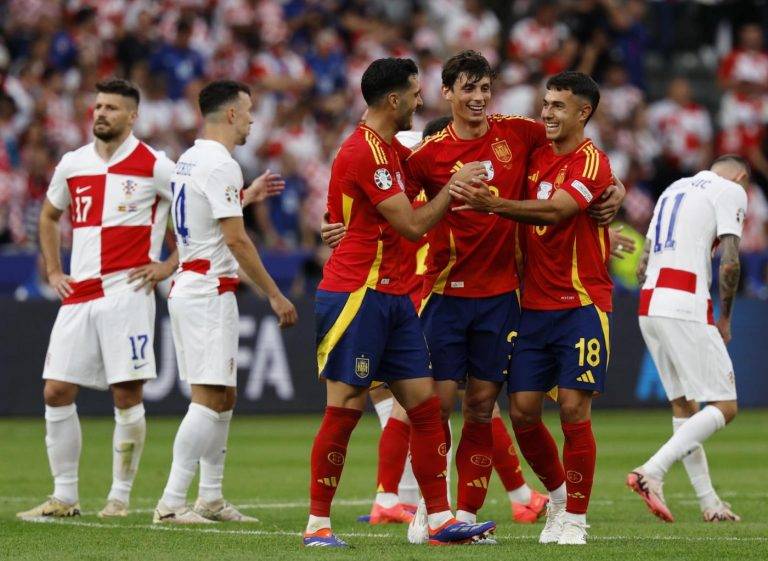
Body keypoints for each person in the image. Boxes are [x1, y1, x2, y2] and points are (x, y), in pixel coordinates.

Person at [401, 51, 621, 531]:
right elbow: (385, 200)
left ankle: (465, 516)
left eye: (485, 89)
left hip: (503, 299)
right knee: (432, 406)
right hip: (444, 294)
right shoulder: (428, 154)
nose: (478, 99)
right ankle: (428, 507)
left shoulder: (519, 133)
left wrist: (614, 188)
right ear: (448, 94)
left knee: (481, 408)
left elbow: (578, 152)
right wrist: (334, 223)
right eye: (468, 89)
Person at [304, 57, 495, 548]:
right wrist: (452, 190)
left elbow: (340, 216)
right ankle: (317, 525)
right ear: (394, 100)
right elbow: (411, 224)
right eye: (413, 93)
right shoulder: (365, 152)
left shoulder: (390, 151)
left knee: (425, 406)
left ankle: (439, 519)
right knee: (344, 405)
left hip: (393, 296)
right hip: (358, 294)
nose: (419, 101)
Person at [17, 79, 177, 520]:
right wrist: (53, 270)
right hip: (79, 292)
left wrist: (168, 265)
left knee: (126, 394)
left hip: (127, 292)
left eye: (112, 108)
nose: (101, 113)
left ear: (132, 116)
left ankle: (119, 497)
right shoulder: (72, 164)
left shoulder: (155, 165)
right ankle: (64, 496)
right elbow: (50, 216)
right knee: (56, 390)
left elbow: (194, 219)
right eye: (98, 106)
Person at [154, 80, 297, 524]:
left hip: (195, 284)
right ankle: (172, 503)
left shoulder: (191, 157)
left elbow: (197, 221)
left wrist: (245, 196)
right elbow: (236, 239)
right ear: (231, 114)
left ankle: (210, 497)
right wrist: (274, 294)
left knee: (225, 395)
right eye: (249, 110)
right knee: (208, 397)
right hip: (207, 290)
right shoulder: (220, 164)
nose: (253, 119)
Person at [628, 155, 749, 523]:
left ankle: (709, 503)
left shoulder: (672, 189)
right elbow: (729, 261)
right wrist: (725, 318)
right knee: (725, 406)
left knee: (685, 407)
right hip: (685, 301)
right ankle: (652, 470)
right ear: (740, 177)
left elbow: (641, 264)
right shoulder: (731, 190)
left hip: (649, 303)